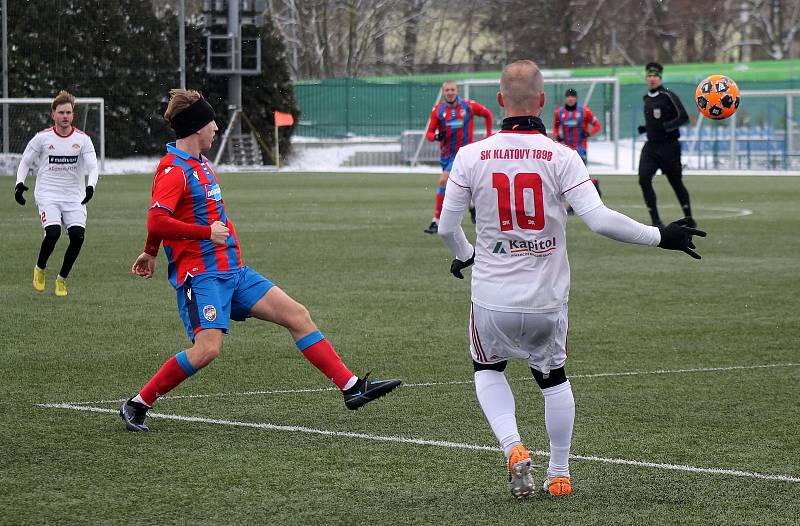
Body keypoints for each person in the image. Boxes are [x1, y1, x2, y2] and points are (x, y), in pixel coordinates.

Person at [437, 60, 705, 499]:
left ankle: (512, 446)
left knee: (487, 368)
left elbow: (448, 229)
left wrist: (465, 256)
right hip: (546, 301)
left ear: (500, 101)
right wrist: (662, 237)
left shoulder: (471, 156)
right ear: (542, 101)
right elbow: (598, 220)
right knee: (553, 378)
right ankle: (558, 472)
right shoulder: (562, 156)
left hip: (491, 298)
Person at [120, 89, 401, 432]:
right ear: (196, 128)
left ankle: (351, 387)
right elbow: (157, 220)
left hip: (234, 272)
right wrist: (202, 234)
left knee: (297, 315)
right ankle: (138, 403)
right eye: (212, 124)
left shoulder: (201, 165)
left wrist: (150, 252)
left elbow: (163, 223)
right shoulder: (173, 170)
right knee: (207, 349)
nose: (216, 130)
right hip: (202, 276)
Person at [14, 90, 98, 297]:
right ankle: (40, 268)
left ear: (73, 115)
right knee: (53, 233)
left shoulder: (83, 140)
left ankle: (61, 279)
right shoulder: (42, 138)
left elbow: (93, 167)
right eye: (61, 112)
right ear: (53, 114)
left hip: (74, 197)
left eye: (68, 112)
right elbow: (25, 161)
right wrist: (19, 184)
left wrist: (90, 187)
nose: (65, 116)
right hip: (47, 195)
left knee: (78, 237)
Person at [423, 80, 493, 233]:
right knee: (461, 185)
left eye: (452, 89)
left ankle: (436, 221)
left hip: (463, 153)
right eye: (447, 90)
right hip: (446, 156)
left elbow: (488, 114)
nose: (450, 92)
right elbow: (428, 133)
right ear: (444, 92)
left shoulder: (468, 106)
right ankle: (472, 206)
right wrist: (436, 136)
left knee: (443, 181)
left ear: (457, 91)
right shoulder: (438, 110)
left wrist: (488, 135)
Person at [637, 62, 694, 227]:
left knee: (676, 182)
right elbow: (654, 121)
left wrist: (666, 127)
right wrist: (646, 128)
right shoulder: (646, 98)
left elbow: (683, 117)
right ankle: (656, 221)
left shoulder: (668, 95)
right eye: (649, 76)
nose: (652, 79)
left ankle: (689, 218)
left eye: (655, 76)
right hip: (651, 147)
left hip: (669, 147)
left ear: (660, 77)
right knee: (644, 179)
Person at [553, 87, 602, 213]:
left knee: (575, 176)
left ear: (576, 98)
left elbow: (597, 125)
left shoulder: (585, 112)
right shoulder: (559, 112)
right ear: (565, 98)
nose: (570, 99)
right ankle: (593, 183)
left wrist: (588, 133)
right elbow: (555, 126)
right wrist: (557, 136)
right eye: (568, 96)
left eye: (572, 96)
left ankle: (571, 206)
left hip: (581, 148)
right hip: (566, 149)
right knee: (570, 176)